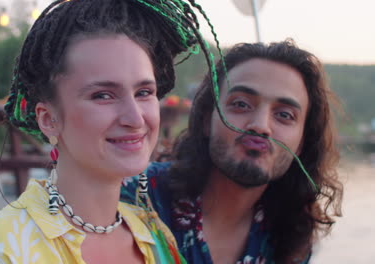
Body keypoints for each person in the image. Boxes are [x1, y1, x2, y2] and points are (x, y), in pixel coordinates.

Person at [0, 0, 216, 263]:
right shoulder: (8, 247)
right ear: (49, 119)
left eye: (144, 92)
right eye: (103, 95)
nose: (134, 118)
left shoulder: (154, 235)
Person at [122, 40, 343, 263]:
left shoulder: (290, 239)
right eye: (241, 104)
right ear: (207, 119)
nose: (260, 125)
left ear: (302, 141)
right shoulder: (132, 197)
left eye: (284, 115)